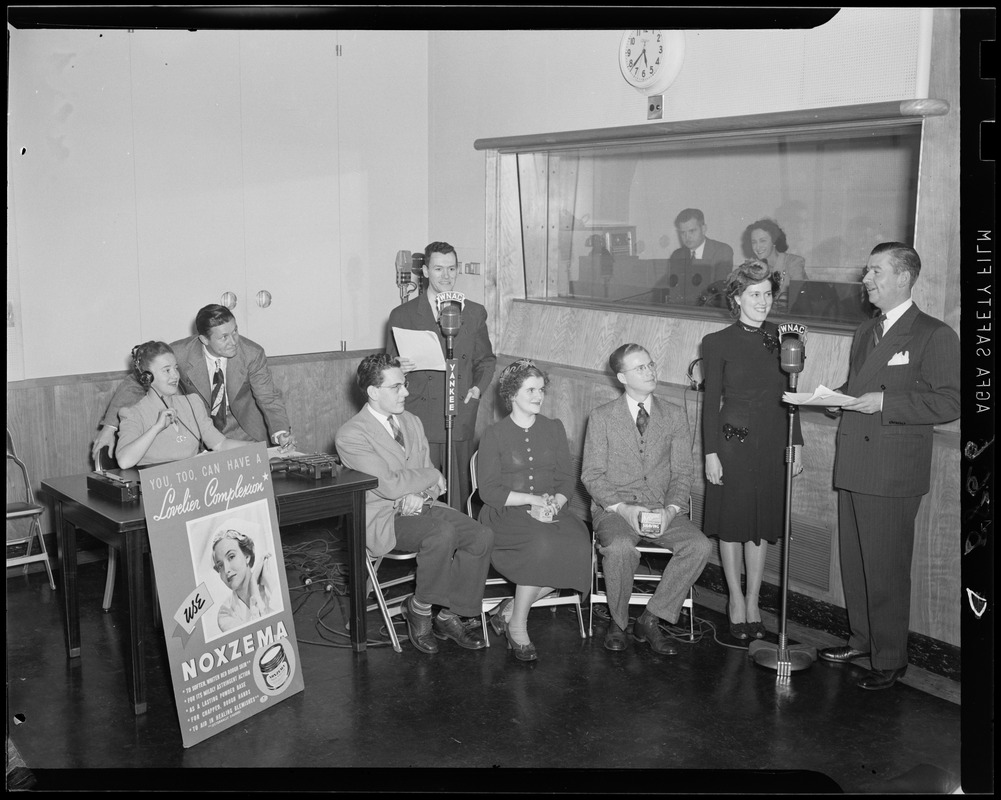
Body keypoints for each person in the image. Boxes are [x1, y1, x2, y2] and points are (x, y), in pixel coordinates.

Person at [817, 242, 960, 690]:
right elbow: (861, 384)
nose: (867, 279)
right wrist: (836, 398)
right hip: (857, 460)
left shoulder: (933, 334)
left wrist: (885, 402)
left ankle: (891, 657)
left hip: (892, 470)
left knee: (886, 568)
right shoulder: (866, 331)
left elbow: (951, 400)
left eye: (876, 271)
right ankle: (862, 639)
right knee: (857, 562)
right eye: (867, 271)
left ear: (904, 277)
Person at [335, 353, 494, 654]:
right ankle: (420, 611)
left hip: (421, 506)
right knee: (442, 534)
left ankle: (447, 614)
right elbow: (390, 483)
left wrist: (420, 493)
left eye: (404, 384)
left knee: (481, 535)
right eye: (396, 387)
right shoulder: (351, 434)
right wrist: (431, 474)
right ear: (373, 392)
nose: (406, 392)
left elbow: (431, 484)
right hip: (382, 518)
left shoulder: (412, 421)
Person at [581, 344, 711, 654]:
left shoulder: (675, 415)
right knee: (621, 547)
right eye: (640, 368)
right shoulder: (602, 417)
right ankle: (618, 621)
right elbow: (592, 475)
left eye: (650, 364)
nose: (650, 371)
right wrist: (623, 509)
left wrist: (671, 509)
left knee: (700, 546)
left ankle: (651, 618)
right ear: (622, 376)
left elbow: (682, 473)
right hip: (615, 508)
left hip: (662, 507)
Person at [701, 261, 804, 641]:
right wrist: (710, 453)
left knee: (759, 524)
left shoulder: (784, 337)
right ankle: (734, 600)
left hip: (773, 441)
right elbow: (710, 403)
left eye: (767, 294)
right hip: (732, 443)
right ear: (736, 298)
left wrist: (795, 443)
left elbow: (791, 395)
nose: (763, 301)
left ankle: (755, 599)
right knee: (732, 523)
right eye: (754, 294)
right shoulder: (716, 342)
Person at [475, 360, 592, 662]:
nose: (539, 396)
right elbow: (489, 491)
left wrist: (556, 503)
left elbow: (566, 479)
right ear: (512, 394)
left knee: (579, 546)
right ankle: (518, 626)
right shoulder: (494, 434)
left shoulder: (554, 428)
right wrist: (532, 500)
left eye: (541, 389)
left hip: (551, 509)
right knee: (540, 546)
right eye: (531, 390)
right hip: (506, 513)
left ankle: (512, 607)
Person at [92, 304, 294, 462]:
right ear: (204, 340)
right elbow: (135, 382)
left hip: (244, 435)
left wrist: (281, 433)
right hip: (199, 437)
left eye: (235, 332)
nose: (233, 342)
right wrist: (109, 428)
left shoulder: (252, 353)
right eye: (224, 337)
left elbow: (269, 398)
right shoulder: (179, 353)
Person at [386, 241, 497, 512]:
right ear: (424, 271)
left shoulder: (473, 312)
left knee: (458, 493)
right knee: (421, 490)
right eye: (438, 269)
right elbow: (387, 369)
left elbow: (486, 360)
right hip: (419, 414)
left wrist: (478, 389)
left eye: (451, 268)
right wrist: (399, 367)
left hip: (459, 412)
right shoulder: (403, 315)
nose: (446, 276)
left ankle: (460, 546)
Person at [115, 341, 247, 468]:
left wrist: (260, 449)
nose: (175, 375)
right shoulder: (133, 414)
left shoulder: (192, 403)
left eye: (176, 368)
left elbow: (221, 444)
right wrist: (156, 428)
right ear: (147, 377)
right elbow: (124, 461)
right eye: (167, 370)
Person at [211, 524, 276, 633]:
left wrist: (254, 583)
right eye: (220, 565)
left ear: (247, 556)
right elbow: (255, 635)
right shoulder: (225, 613)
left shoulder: (270, 583)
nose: (226, 570)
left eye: (231, 557)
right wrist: (253, 582)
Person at [742, 218, 807, 306]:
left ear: (774, 241)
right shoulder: (752, 266)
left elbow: (799, 299)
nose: (757, 247)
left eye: (763, 241)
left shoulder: (793, 262)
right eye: (754, 242)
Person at [670, 208, 735, 285]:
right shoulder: (677, 255)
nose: (687, 237)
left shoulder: (722, 251)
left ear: (703, 229)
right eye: (683, 232)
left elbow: (720, 288)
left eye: (692, 231)